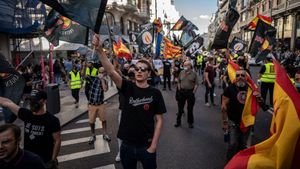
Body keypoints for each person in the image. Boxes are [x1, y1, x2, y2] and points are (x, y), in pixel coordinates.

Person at [93, 34, 166, 169]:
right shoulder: (127, 87)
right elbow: (110, 71)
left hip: (146, 145)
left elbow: (160, 120)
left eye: (143, 69)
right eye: (136, 68)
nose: (139, 71)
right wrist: (99, 50)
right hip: (127, 145)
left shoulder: (155, 93)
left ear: (149, 74)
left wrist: (154, 145)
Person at [0, 91, 61, 168]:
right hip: (29, 160)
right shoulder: (27, 114)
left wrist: (53, 160)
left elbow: (57, 141)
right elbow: (7, 102)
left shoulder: (52, 120)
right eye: (31, 100)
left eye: (36, 100)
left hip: (45, 161)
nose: (32, 103)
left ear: (44, 101)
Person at [221, 69, 261, 161]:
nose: (240, 77)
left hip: (247, 122)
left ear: (246, 77)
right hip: (233, 121)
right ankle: (230, 163)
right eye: (237, 75)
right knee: (232, 144)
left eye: (242, 75)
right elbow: (223, 108)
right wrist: (224, 122)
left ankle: (239, 162)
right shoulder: (229, 89)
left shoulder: (252, 89)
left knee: (243, 145)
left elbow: (260, 104)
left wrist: (259, 98)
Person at [87, 67, 110, 144]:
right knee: (91, 121)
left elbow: (105, 90)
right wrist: (84, 66)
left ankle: (105, 134)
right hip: (92, 105)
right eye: (100, 72)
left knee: (103, 120)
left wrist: (102, 80)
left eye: (103, 72)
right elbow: (83, 75)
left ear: (105, 73)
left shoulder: (105, 81)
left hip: (101, 104)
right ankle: (93, 135)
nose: (101, 74)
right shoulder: (93, 79)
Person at [175, 60, 199, 128]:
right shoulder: (181, 72)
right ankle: (178, 122)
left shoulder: (194, 74)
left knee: (190, 108)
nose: (184, 66)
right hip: (182, 92)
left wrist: (193, 92)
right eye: (184, 65)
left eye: (186, 65)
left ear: (190, 66)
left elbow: (196, 84)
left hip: (190, 92)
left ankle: (190, 122)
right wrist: (179, 89)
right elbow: (179, 81)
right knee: (180, 108)